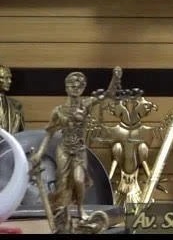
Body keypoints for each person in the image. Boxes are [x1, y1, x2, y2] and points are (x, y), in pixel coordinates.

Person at [29, 69, 120, 233]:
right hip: (63, 150)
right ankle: (64, 215)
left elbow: (108, 95)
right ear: (66, 87)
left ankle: (80, 208)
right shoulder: (58, 111)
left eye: (79, 86)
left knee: (79, 180)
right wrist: (39, 153)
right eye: (72, 85)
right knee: (63, 183)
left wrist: (115, 77)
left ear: (83, 88)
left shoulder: (86, 105)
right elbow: (49, 133)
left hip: (79, 150)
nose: (75, 88)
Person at [0, 65, 24, 135]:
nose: (9, 81)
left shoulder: (16, 106)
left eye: (10, 78)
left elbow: (21, 135)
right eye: (5, 78)